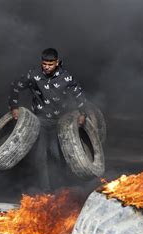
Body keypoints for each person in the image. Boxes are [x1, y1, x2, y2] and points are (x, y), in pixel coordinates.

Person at [7, 48, 87, 191]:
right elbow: (15, 86)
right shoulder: (34, 75)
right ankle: (45, 192)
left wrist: (83, 114)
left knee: (57, 156)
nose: (47, 67)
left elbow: (79, 95)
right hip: (40, 121)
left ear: (57, 62)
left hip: (60, 122)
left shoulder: (66, 77)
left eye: (50, 64)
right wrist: (14, 107)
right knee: (40, 158)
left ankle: (61, 189)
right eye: (44, 64)